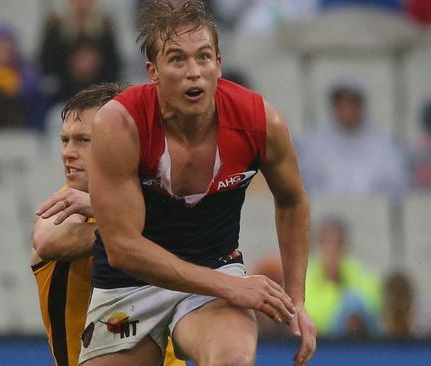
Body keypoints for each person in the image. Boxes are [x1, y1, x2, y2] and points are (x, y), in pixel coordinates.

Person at [45, 1, 315, 365]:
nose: (194, 72)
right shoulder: (120, 124)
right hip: (129, 282)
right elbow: (124, 249)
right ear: (152, 72)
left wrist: (297, 300)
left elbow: (293, 201)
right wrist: (233, 287)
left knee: (232, 360)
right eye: (177, 60)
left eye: (204, 58)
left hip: (215, 268)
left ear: (219, 65)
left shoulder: (261, 122)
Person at [31, 83, 184, 366]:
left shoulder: (160, 200)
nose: (68, 152)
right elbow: (49, 241)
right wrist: (131, 227)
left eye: (84, 140)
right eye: (65, 140)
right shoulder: (64, 205)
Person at [298, 81, 406, 199]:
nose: (348, 110)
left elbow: (395, 187)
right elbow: (306, 186)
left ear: (362, 107)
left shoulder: (386, 146)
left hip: (375, 213)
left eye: (353, 104)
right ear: (334, 107)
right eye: (342, 104)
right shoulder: (311, 144)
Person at [304, 215, 382, 337]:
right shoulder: (305, 280)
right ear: (317, 247)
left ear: (345, 247)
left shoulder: (362, 275)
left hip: (360, 341)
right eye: (325, 243)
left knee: (353, 302)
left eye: (337, 243)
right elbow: (310, 321)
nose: (331, 249)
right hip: (323, 343)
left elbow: (373, 310)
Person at [39, 0, 121, 108]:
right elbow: (47, 63)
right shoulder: (55, 24)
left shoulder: (104, 24)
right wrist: (71, 66)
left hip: (100, 95)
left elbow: (113, 63)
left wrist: (96, 64)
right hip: (63, 95)